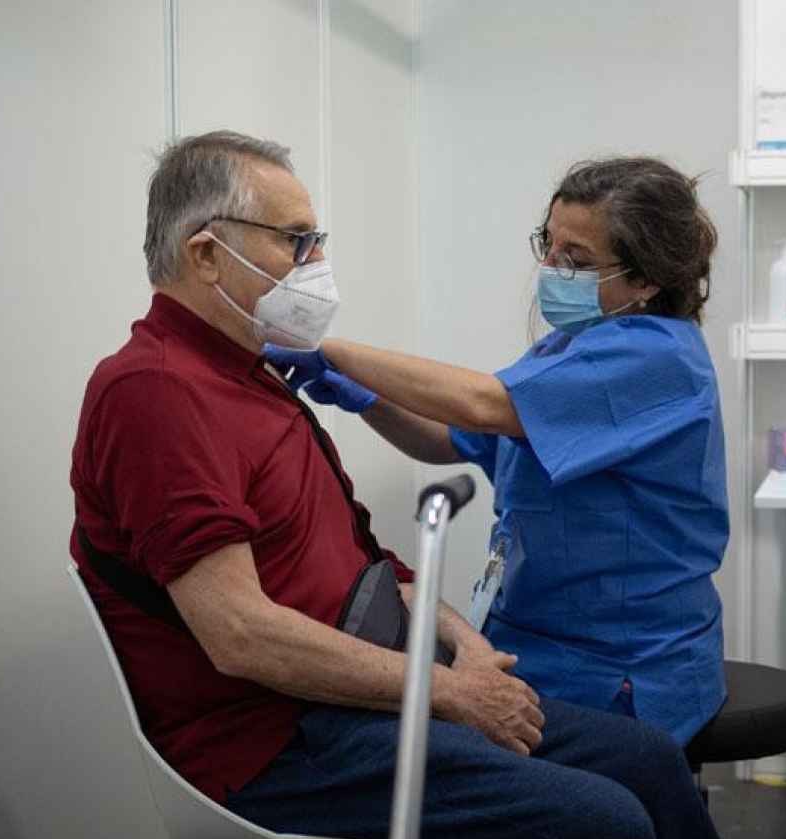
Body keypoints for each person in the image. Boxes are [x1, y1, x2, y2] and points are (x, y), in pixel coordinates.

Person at [70, 130, 767, 839]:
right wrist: (447, 689)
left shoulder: (247, 380)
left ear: (645, 278)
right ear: (209, 256)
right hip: (285, 730)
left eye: (578, 257)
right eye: (298, 241)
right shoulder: (160, 392)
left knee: (648, 765)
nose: (315, 258)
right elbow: (242, 634)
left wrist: (461, 656)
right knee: (606, 829)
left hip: (504, 660)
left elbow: (383, 539)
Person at [265, 156, 730, 747]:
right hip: (537, 639)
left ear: (646, 280)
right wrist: (363, 400)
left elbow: (484, 404)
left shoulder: (658, 359)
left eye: (577, 260)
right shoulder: (567, 349)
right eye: (549, 243)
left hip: (621, 664)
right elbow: (450, 437)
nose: (551, 268)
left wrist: (332, 349)